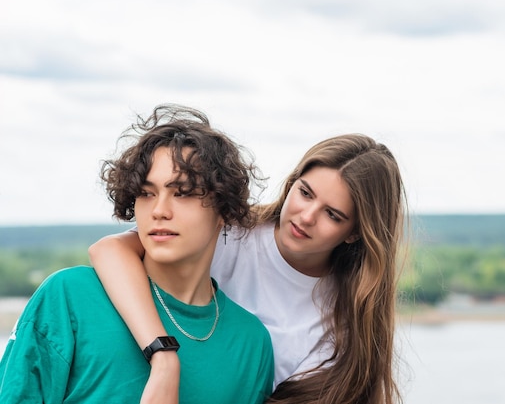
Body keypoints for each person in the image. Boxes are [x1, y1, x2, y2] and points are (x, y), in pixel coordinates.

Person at [89, 132, 408, 404]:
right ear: (291, 183)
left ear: (355, 232)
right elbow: (110, 249)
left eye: (333, 215)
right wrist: (163, 356)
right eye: (305, 192)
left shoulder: (340, 332)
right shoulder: (228, 229)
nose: (306, 216)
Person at [0, 105, 274, 403]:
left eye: (182, 193)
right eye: (146, 193)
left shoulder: (250, 341)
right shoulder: (70, 296)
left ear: (224, 209)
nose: (159, 211)